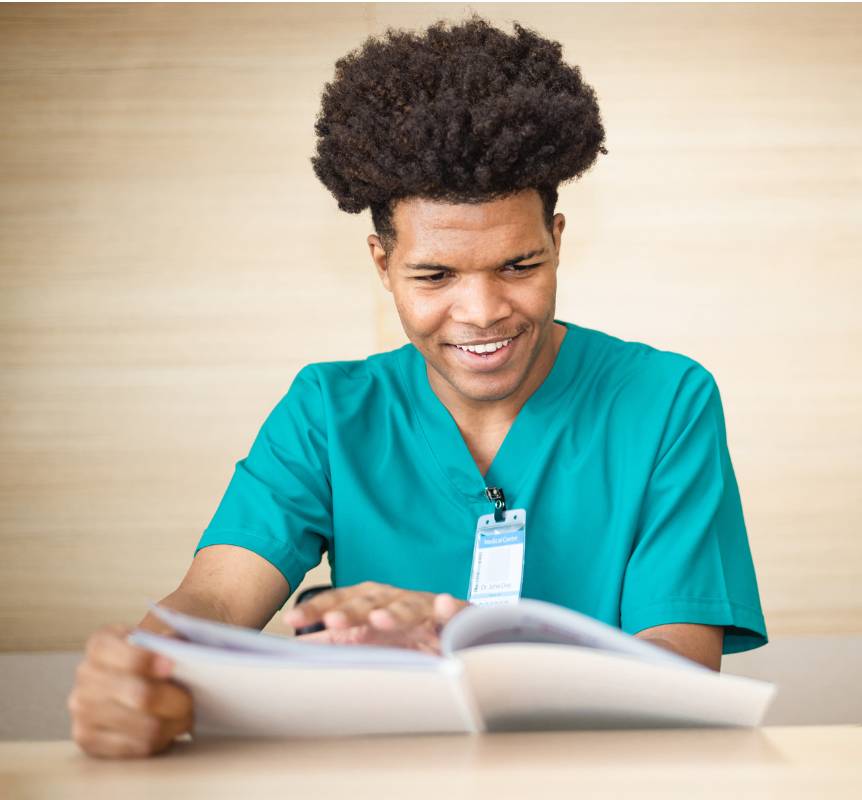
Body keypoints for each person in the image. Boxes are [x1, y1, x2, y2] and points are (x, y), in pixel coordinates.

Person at [68, 16, 767, 759]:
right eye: (434, 276)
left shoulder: (665, 401)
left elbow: (681, 677)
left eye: (519, 266)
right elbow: (212, 599)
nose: (483, 311)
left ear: (557, 241)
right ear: (380, 262)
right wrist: (145, 665)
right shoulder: (329, 413)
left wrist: (459, 639)